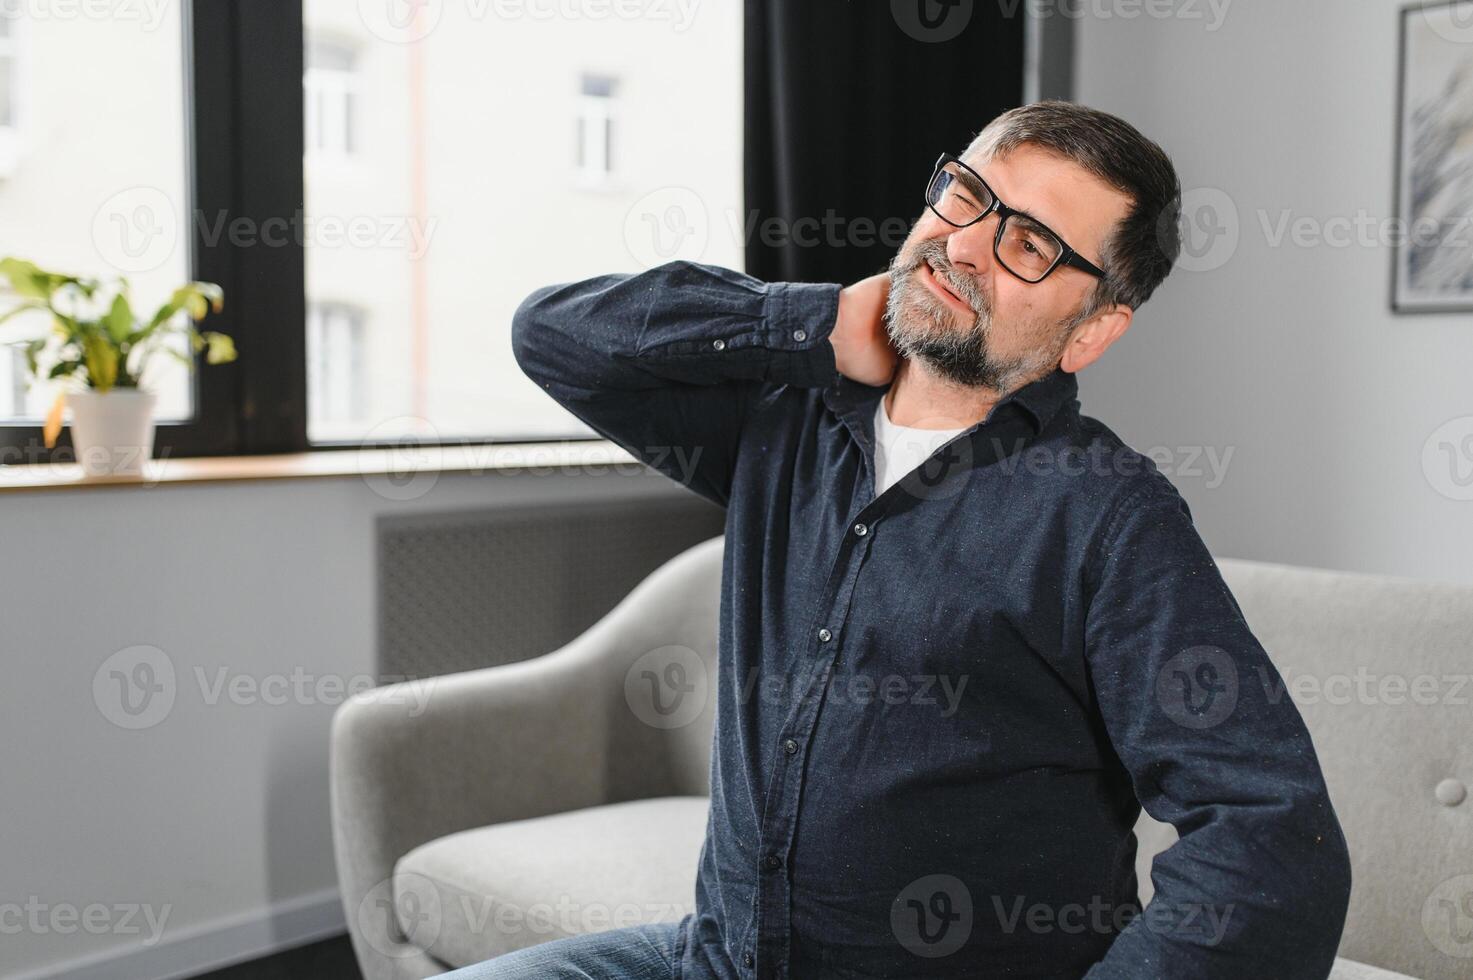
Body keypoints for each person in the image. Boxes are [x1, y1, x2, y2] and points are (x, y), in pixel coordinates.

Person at [436, 100, 1351, 980]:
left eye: (1028, 243)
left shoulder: (1107, 516)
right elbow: (552, 336)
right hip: (713, 959)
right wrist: (812, 324)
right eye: (966, 194)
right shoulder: (783, 420)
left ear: (1093, 330)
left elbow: (1269, 836)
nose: (961, 246)